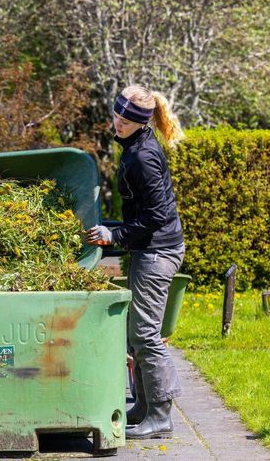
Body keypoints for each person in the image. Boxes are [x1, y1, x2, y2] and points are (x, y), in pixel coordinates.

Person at [87, 85, 185, 440]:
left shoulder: (142, 155)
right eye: (117, 116)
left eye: (126, 120)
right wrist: (113, 229)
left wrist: (115, 237)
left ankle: (160, 415)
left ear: (141, 123)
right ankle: (143, 407)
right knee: (137, 335)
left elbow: (157, 216)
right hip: (148, 248)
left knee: (146, 336)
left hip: (158, 252)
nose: (119, 123)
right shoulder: (134, 146)